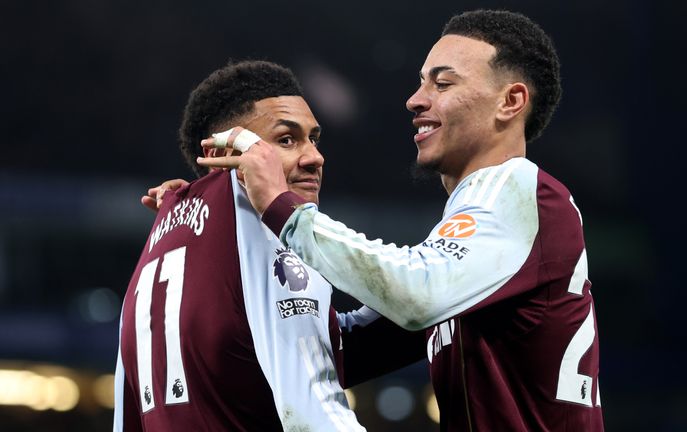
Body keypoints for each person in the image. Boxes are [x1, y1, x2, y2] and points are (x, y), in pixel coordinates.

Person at [199, 10, 604, 431]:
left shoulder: (518, 186)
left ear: (510, 102)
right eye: (422, 81)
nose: (415, 99)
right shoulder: (477, 254)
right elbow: (339, 352)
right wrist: (210, 215)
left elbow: (414, 293)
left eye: (442, 83)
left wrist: (281, 207)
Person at [114, 60, 424, 431]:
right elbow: (313, 413)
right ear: (220, 155)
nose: (315, 157)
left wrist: (440, 305)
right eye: (286, 140)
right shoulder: (259, 224)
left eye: (314, 139)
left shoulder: (161, 241)